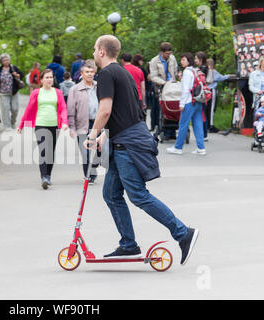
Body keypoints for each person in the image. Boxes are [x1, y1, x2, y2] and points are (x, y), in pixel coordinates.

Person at [85, 35, 198, 265]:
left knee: (138, 195)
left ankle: (182, 233)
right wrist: (107, 133)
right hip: (125, 139)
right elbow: (131, 112)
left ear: (102, 52)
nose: (94, 52)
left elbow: (105, 110)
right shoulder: (125, 72)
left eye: (96, 49)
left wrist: (93, 133)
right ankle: (128, 244)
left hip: (129, 145)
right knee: (111, 194)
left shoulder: (106, 74)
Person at [17, 69, 69, 189]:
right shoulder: (36, 93)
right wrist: (21, 125)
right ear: (41, 80)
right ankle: (44, 177)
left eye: (51, 77)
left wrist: (65, 122)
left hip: (55, 125)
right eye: (47, 77)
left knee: (51, 151)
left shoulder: (58, 92)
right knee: (44, 150)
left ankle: (48, 176)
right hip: (40, 123)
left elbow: (63, 108)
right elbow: (29, 109)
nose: (49, 79)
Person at [67, 59, 100, 184]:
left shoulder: (99, 86)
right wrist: (72, 128)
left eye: (92, 71)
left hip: (97, 123)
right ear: (81, 74)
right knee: (85, 152)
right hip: (82, 125)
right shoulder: (75, 90)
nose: (90, 74)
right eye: (87, 72)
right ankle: (89, 175)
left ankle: (94, 166)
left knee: (99, 150)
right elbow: (71, 110)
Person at [166, 53, 206, 156]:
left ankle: (178, 148)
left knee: (183, 124)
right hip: (197, 101)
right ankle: (201, 148)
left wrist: (182, 103)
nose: (181, 61)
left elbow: (185, 90)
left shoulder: (187, 72)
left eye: (184, 60)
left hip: (189, 102)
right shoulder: (195, 70)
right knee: (198, 125)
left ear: (189, 61)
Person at [149, 42, 178, 139]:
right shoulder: (154, 61)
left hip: (172, 87)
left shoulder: (172, 58)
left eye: (170, 53)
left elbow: (175, 70)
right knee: (163, 109)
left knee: (173, 106)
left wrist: (175, 79)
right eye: (167, 54)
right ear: (162, 52)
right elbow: (153, 76)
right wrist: (164, 83)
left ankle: (172, 132)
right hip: (161, 87)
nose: (168, 55)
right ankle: (164, 131)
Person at [0, 53, 24, 130]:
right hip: (3, 93)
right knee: (5, 109)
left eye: (7, 60)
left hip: (14, 92)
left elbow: (21, 75)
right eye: (4, 60)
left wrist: (17, 75)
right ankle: (7, 126)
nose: (6, 61)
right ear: (1, 62)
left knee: (15, 109)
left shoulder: (13, 68)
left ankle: (13, 122)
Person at [206, 58, 232, 133]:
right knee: (211, 108)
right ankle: (210, 125)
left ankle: (206, 124)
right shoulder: (213, 72)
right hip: (211, 90)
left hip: (205, 91)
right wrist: (228, 76)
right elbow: (221, 78)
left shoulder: (203, 71)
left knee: (207, 108)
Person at [194, 52, 210, 140]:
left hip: (201, 94)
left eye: (196, 58)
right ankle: (204, 133)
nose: (195, 60)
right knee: (202, 113)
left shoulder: (202, 69)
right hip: (203, 94)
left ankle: (204, 134)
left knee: (202, 113)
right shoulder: (203, 68)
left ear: (201, 59)